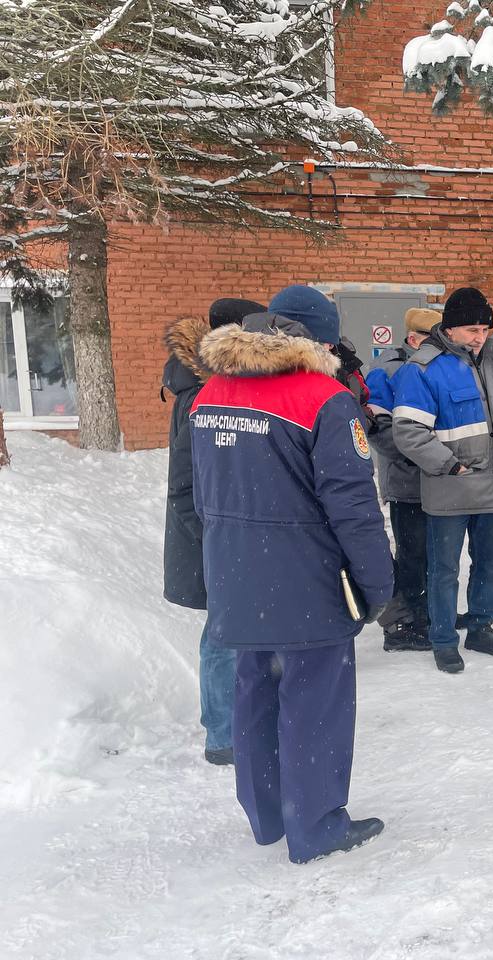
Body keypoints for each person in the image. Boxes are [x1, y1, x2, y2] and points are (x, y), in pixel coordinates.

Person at [190, 296, 394, 865]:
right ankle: (316, 826)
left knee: (255, 690)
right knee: (314, 701)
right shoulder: (326, 400)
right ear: (317, 340)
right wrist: (377, 584)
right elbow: (353, 506)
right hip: (306, 579)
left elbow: (197, 493)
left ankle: (267, 815)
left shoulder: (211, 394)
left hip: (235, 574)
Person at [391, 287, 493, 674]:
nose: (479, 336)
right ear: (450, 329)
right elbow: (408, 431)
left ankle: (481, 627)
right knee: (444, 569)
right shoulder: (422, 368)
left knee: (489, 563)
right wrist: (450, 466)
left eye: (484, 328)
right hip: (451, 488)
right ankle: (443, 639)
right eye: (471, 329)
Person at [161, 297, 264, 765]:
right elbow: (187, 482)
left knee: (234, 628)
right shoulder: (202, 392)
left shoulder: (216, 384)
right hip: (212, 533)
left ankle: (234, 723)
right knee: (222, 633)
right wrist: (216, 538)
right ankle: (222, 734)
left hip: (224, 530)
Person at [365, 307, 439, 652]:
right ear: (413, 338)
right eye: (431, 339)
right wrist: (425, 457)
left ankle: (430, 615)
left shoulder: (440, 367)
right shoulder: (385, 371)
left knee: (438, 553)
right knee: (413, 555)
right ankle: (406, 625)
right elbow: (380, 431)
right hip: (407, 481)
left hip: (442, 481)